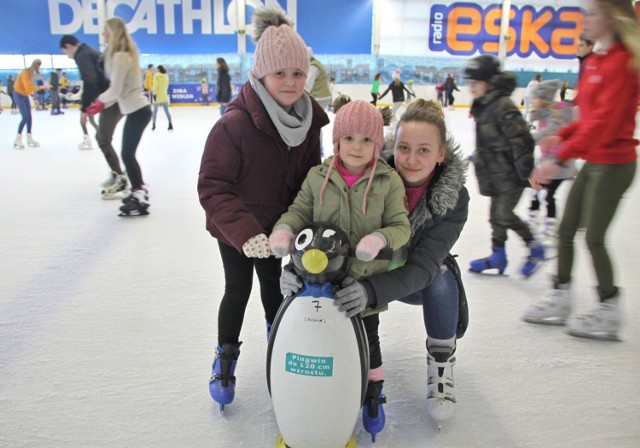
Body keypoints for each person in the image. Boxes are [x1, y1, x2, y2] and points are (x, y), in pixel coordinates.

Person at [280, 98, 470, 425]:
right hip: (359, 270)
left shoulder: (453, 199)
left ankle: (441, 360)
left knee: (439, 276)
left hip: (407, 277)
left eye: (424, 150)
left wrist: (369, 291)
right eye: (404, 147)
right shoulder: (366, 170)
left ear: (441, 154)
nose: (411, 159)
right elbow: (323, 230)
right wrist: (295, 268)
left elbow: (421, 267)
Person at [197, 6, 330, 409]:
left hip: (280, 231)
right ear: (260, 75)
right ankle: (225, 357)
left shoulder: (308, 123)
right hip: (237, 231)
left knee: (276, 290)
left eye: (298, 73)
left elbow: (308, 183)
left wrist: (300, 226)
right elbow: (213, 186)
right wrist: (244, 232)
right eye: (280, 74)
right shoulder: (233, 125)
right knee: (237, 290)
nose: (290, 83)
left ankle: (280, 350)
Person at [269, 97, 410, 438]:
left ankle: (373, 389)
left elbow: (401, 226)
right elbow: (299, 211)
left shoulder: (387, 182)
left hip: (361, 283)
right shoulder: (318, 177)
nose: (356, 148)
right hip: (317, 277)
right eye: (348, 139)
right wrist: (285, 231)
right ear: (337, 141)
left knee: (369, 338)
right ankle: (310, 390)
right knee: (317, 337)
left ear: (377, 143)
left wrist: (379, 237)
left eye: (366, 140)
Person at [523, 0, 640, 341]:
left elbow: (604, 124)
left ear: (612, 17)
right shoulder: (596, 62)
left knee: (593, 237)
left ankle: (609, 306)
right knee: (565, 229)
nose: (585, 20)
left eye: (592, 13)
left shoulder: (624, 63)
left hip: (615, 164)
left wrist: (560, 154)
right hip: (595, 162)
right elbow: (587, 118)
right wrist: (563, 135)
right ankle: (560, 296)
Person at [464, 55, 544, 278]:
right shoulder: (485, 105)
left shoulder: (502, 106)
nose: (471, 88)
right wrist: (478, 156)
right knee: (496, 217)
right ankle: (498, 256)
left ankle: (535, 247)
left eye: (475, 83)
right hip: (496, 173)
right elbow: (492, 139)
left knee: (504, 215)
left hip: (511, 175)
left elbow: (522, 140)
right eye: (469, 84)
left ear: (489, 82)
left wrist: (528, 172)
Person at [86, 17, 152, 216]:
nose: (103, 34)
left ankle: (139, 194)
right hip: (135, 111)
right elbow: (118, 91)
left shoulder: (121, 56)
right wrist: (102, 102)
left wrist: (98, 101)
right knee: (128, 154)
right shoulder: (122, 55)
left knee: (127, 154)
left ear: (113, 32)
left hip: (138, 111)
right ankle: (138, 191)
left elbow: (115, 90)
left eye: (106, 31)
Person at [60, 34, 126, 195]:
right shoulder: (89, 52)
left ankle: (120, 179)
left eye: (65, 52)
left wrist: (84, 108)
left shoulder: (82, 55)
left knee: (103, 139)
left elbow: (90, 81)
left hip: (114, 101)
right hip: (111, 100)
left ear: (68, 46)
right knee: (101, 138)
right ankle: (116, 173)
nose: (67, 56)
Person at [525, 80, 576, 237]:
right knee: (535, 188)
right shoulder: (542, 111)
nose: (532, 101)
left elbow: (552, 130)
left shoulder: (558, 113)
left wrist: (531, 139)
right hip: (548, 161)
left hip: (560, 163)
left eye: (535, 98)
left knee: (547, 194)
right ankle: (533, 214)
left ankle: (550, 222)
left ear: (544, 98)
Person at [12, 59, 47, 149]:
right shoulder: (25, 73)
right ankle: (17, 139)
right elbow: (28, 88)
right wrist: (41, 87)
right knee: (25, 117)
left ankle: (29, 138)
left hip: (25, 95)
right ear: (37, 66)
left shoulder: (31, 75)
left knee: (29, 116)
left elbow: (29, 88)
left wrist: (34, 98)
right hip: (18, 94)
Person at [151, 65, 172, 131]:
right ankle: (170, 123)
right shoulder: (166, 76)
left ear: (159, 69)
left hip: (157, 95)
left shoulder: (156, 75)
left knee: (155, 111)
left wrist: (154, 94)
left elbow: (155, 85)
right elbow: (167, 85)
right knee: (166, 111)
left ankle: (154, 124)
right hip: (164, 95)